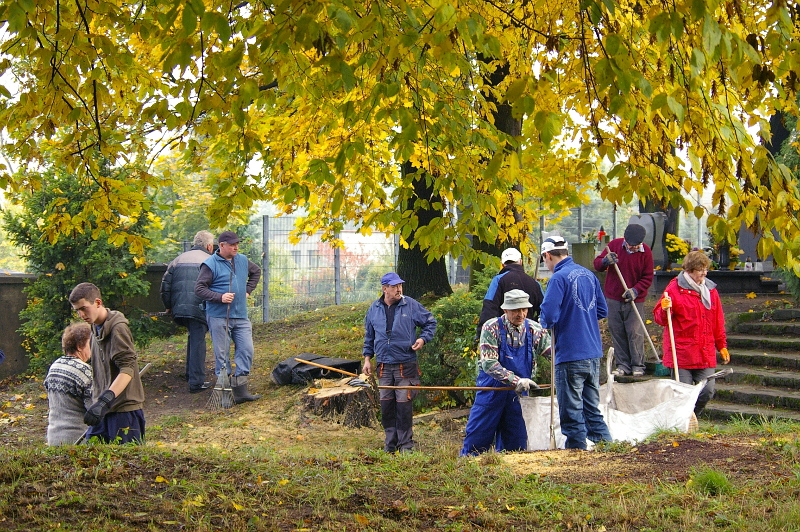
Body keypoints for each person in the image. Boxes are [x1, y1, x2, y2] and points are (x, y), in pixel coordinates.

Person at [539, 236, 612, 450]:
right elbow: (602, 310)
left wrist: (548, 322)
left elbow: (549, 316)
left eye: (544, 260)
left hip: (570, 353)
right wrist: (581, 317)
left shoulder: (558, 278)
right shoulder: (589, 275)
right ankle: (609, 452)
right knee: (592, 411)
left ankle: (575, 456)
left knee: (571, 414)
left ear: (548, 255)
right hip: (593, 352)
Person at [461, 289, 551, 456]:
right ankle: (468, 467)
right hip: (491, 391)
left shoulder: (534, 329)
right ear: (505, 310)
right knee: (476, 440)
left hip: (519, 397)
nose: (521, 314)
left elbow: (553, 355)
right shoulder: (491, 327)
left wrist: (567, 369)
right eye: (516, 310)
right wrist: (516, 380)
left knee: (516, 445)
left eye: (524, 309)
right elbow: (489, 363)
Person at [362, 272, 437, 453]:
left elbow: (430, 322)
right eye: (394, 286)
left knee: (404, 406)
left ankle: (406, 446)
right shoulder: (374, 309)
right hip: (383, 366)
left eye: (400, 285)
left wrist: (423, 339)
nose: (399, 289)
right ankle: (390, 444)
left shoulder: (410, 305)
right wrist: (367, 359)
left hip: (406, 364)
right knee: (386, 406)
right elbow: (369, 337)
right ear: (385, 289)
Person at [68, 282, 146, 444]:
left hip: (123, 411)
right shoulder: (94, 328)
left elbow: (128, 369)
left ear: (98, 302)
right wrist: (99, 403)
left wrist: (104, 400)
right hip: (103, 410)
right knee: (90, 456)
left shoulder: (118, 328)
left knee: (126, 459)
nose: (81, 315)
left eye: (84, 309)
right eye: (77, 311)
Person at [653, 250, 729, 415]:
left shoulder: (711, 290)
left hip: (705, 351)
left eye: (705, 269)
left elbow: (717, 321)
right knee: (683, 395)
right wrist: (664, 309)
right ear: (689, 270)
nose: (704, 273)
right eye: (700, 270)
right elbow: (660, 319)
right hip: (681, 353)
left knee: (707, 391)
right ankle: (684, 421)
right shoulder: (674, 289)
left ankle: (690, 417)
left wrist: (722, 345)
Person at [194, 230, 262, 404]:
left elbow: (256, 272)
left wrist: (247, 290)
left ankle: (240, 391)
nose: (236, 247)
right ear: (222, 245)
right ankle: (224, 395)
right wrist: (220, 297)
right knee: (222, 355)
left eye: (237, 244)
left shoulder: (242, 260)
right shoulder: (210, 264)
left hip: (241, 315)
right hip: (218, 316)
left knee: (246, 350)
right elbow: (199, 289)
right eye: (232, 245)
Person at [593, 223, 654, 377]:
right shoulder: (614, 246)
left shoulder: (646, 252)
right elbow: (597, 265)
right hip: (614, 298)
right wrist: (605, 261)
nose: (633, 247)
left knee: (634, 332)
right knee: (617, 331)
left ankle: (637, 365)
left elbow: (647, 277)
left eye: (636, 245)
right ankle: (623, 365)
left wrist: (636, 290)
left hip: (635, 300)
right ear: (625, 239)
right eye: (630, 244)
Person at [161, 230, 215, 393]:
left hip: (179, 307)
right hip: (198, 307)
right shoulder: (210, 260)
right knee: (198, 342)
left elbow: (165, 285)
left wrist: (169, 306)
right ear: (209, 246)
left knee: (193, 337)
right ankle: (196, 383)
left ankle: (190, 374)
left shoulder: (178, 259)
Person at [44, 322, 94, 446]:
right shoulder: (84, 370)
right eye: (90, 343)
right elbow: (94, 409)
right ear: (79, 346)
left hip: (53, 438)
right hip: (77, 440)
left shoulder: (55, 366)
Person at [476, 247, 544, 337]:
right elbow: (544, 309)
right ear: (520, 262)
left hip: (503, 334)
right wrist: (536, 326)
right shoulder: (534, 283)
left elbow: (489, 308)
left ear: (502, 264)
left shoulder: (498, 280)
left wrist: (481, 334)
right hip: (528, 335)